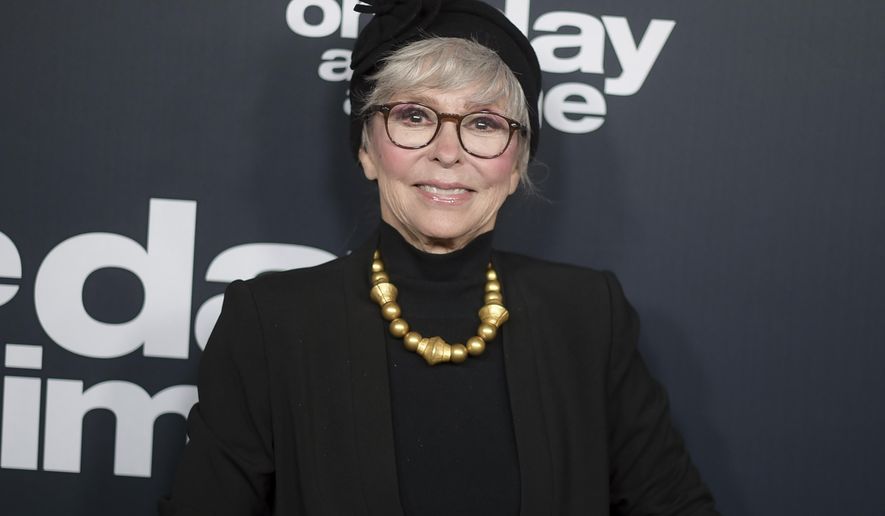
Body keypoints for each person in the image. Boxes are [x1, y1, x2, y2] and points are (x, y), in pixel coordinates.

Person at [160, 0, 719, 514]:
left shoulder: (590, 317)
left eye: (483, 124)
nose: (447, 152)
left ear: (517, 163)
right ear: (366, 149)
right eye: (414, 116)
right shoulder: (271, 322)